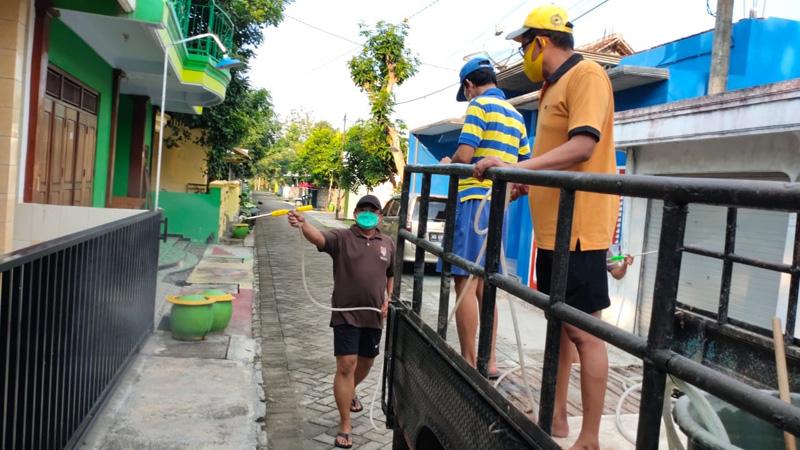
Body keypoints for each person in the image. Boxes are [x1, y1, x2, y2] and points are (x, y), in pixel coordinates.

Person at [474, 4, 617, 449]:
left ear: (540, 42)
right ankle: (556, 416)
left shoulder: (587, 75)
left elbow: (582, 145)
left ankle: (589, 437)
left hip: (581, 226)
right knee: (561, 325)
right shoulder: (552, 87)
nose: (523, 57)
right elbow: (556, 155)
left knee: (584, 330)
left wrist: (520, 169)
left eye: (523, 47)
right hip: (554, 225)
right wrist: (524, 182)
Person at [438, 57, 530, 379]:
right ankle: (489, 361)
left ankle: (467, 359)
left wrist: (450, 162)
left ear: (469, 86)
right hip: (499, 207)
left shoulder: (478, 107)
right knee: (487, 284)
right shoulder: (517, 116)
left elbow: (465, 155)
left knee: (464, 279)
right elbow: (525, 167)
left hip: (473, 200)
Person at [287, 195, 394, 449]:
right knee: (346, 365)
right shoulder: (342, 238)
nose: (368, 213)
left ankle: (349, 391)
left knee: (366, 363)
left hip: (373, 316)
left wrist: (389, 298)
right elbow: (319, 237)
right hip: (346, 313)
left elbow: (391, 275)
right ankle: (345, 424)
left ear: (379, 215)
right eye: (363, 209)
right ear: (356, 213)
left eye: (373, 210)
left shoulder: (388, 243)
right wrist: (303, 224)